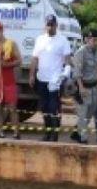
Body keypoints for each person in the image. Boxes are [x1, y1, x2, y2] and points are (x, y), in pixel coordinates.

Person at [29, 13, 72, 142]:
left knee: (54, 107)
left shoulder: (62, 40)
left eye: (52, 25)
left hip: (54, 81)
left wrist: (65, 74)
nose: (50, 27)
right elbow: (34, 58)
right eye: (48, 25)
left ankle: (55, 134)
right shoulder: (40, 39)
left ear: (56, 25)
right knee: (44, 107)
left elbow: (68, 60)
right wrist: (31, 75)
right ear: (45, 25)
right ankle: (47, 132)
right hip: (42, 78)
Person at [0, 21, 21, 138]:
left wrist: (7, 65)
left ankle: (16, 132)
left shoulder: (11, 44)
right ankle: (0, 131)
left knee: (12, 108)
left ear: (2, 30)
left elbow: (19, 60)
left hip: (8, 80)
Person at [71, 28, 97, 144]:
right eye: (94, 40)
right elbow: (77, 72)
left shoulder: (96, 52)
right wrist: (81, 88)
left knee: (91, 112)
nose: (96, 42)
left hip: (93, 87)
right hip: (83, 87)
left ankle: (76, 131)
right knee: (83, 114)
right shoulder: (81, 52)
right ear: (88, 39)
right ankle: (82, 138)